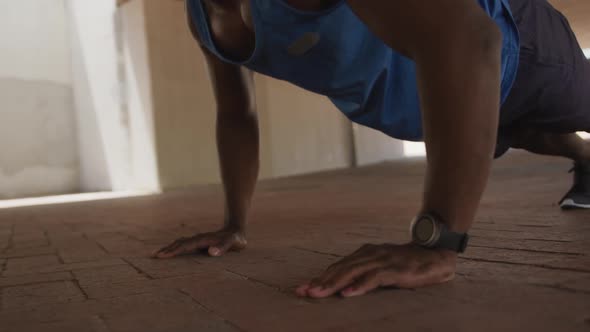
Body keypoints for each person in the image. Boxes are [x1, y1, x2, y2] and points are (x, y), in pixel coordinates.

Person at [152, 0, 590, 298]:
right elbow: (236, 114)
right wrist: (234, 224)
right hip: (434, 98)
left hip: (522, 48)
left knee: (571, 112)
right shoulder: (202, 17)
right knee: (530, 133)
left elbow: (470, 41)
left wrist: (435, 242)